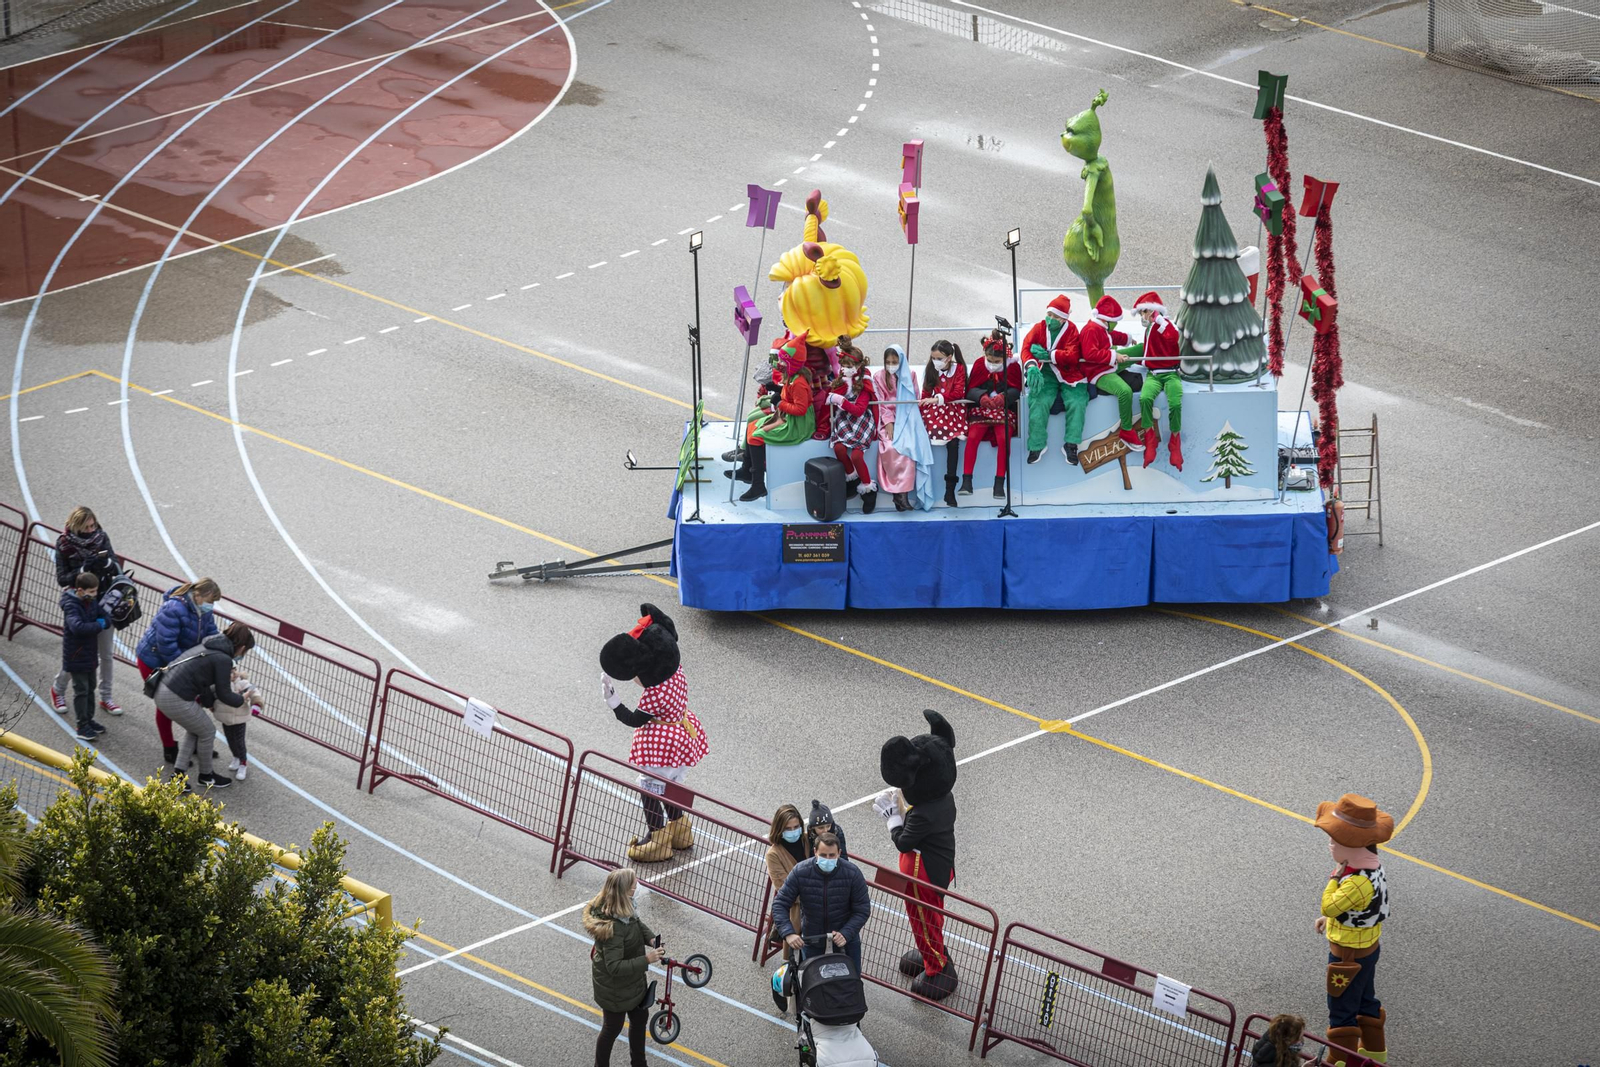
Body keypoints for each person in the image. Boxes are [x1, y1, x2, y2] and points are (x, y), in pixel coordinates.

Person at [600, 605, 708, 862]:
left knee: (650, 789)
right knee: (670, 787)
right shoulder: (677, 672)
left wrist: (613, 701)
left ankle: (657, 837)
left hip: (660, 745)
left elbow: (634, 720)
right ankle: (681, 829)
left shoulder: (654, 693)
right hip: (682, 733)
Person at [1313, 793, 1394, 1065]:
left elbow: (1329, 905)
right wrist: (1332, 919)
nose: (1330, 844)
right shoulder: (1372, 870)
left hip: (1347, 956)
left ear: (1350, 845)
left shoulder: (1353, 881)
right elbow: (1355, 910)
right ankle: (1373, 1055)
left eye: (1334, 840)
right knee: (1365, 1000)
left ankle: (1341, 1061)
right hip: (1367, 948)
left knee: (1341, 1010)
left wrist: (1334, 876)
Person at [154, 621, 257, 790]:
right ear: (242, 646)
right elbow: (224, 693)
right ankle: (206, 776)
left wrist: (209, 702)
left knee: (196, 730)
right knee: (208, 731)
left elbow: (204, 682)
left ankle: (178, 777)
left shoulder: (210, 644)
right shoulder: (223, 659)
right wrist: (242, 699)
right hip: (176, 697)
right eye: (245, 651)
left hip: (163, 690)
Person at [136, 578, 222, 766]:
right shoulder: (173, 609)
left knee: (194, 703)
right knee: (167, 705)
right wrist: (188, 667)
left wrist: (220, 650)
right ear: (197, 595)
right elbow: (166, 645)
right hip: (154, 662)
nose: (211, 605)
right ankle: (169, 748)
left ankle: (198, 743)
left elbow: (211, 634)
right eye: (210, 600)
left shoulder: (203, 611)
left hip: (180, 662)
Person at [583, 868, 663, 1067]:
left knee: (640, 1020)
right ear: (625, 890)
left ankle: (639, 1063)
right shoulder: (614, 928)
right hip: (615, 990)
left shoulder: (625, 907)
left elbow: (637, 923)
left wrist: (651, 938)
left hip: (633, 983)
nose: (637, 885)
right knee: (612, 1028)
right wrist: (647, 959)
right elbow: (614, 967)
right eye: (634, 883)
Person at [49, 506, 122, 718]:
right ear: (76, 526)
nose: (91, 530)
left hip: (104, 599)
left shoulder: (101, 537)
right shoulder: (63, 544)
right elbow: (62, 578)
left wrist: (106, 562)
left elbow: (115, 565)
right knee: (79, 654)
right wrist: (83, 569)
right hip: (81, 603)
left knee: (106, 654)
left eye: (93, 525)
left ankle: (106, 696)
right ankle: (58, 689)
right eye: (86, 527)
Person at [732, 333, 815, 501]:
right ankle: (747, 470)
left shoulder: (798, 383)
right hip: (786, 416)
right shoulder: (792, 377)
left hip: (796, 425)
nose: (780, 364)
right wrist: (777, 391)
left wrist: (779, 403)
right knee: (752, 426)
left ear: (792, 363)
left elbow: (800, 409)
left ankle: (758, 485)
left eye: (783, 361)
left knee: (756, 436)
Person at [770, 832, 869, 973]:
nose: (827, 859)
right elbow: (780, 903)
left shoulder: (852, 873)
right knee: (813, 987)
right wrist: (788, 933)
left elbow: (862, 909)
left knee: (849, 987)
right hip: (812, 942)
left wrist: (846, 933)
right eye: (823, 855)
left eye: (832, 855)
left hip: (845, 943)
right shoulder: (800, 871)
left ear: (839, 853)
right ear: (815, 852)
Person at [1117, 292, 1184, 470]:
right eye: (1141, 313)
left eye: (1145, 312)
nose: (1143, 316)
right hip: (1154, 373)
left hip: (1171, 373)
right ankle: (1150, 439)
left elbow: (1173, 337)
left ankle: (1175, 442)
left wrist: (1159, 320)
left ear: (1154, 311)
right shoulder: (1149, 329)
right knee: (1145, 398)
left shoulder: (1166, 324)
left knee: (1175, 403)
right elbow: (1147, 353)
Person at [1020, 295, 1082, 465]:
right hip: (1045, 373)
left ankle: (1071, 444)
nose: (1051, 319)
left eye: (1056, 316)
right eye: (1049, 314)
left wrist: (1049, 355)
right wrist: (1031, 366)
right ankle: (1037, 444)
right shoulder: (1038, 328)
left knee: (1077, 401)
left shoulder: (1072, 330)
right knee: (1038, 400)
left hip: (1068, 373)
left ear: (1064, 318)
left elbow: (1073, 355)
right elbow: (1026, 347)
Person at [872, 345, 935, 512]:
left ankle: (903, 495)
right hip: (888, 420)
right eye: (888, 362)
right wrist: (889, 424)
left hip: (907, 418)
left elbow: (914, 400)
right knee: (891, 447)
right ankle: (898, 495)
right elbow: (881, 404)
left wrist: (907, 423)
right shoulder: (878, 376)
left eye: (894, 362)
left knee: (909, 448)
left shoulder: (911, 375)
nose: (891, 365)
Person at [1075, 297, 1142, 451]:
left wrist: (1128, 339)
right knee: (1124, 392)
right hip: (1098, 372)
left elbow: (1111, 336)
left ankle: (1153, 364)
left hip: (1109, 363)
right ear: (1108, 320)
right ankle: (1126, 431)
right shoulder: (1090, 330)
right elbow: (1090, 354)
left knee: (1141, 348)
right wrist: (1115, 356)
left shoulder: (1100, 327)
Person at [962, 332, 1020, 498]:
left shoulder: (1012, 366)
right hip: (982, 409)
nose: (993, 364)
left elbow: (1016, 389)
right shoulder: (980, 365)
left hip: (1004, 410)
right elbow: (970, 389)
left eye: (997, 362)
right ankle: (967, 480)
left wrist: (1004, 397)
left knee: (1004, 440)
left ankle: (999, 482)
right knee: (973, 437)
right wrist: (981, 397)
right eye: (990, 360)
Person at [825, 344, 879, 514]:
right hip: (844, 419)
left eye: (849, 366)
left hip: (862, 421)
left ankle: (869, 491)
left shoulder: (864, 384)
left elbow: (859, 410)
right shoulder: (841, 380)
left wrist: (840, 400)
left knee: (856, 455)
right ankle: (851, 478)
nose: (845, 369)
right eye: (843, 366)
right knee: (839, 448)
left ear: (858, 367)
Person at [60, 571, 111, 742]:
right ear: (80, 590)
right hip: (76, 655)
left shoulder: (91, 602)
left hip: (88, 654)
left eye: (96, 591)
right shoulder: (71, 605)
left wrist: (105, 620)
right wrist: (98, 624)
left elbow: (103, 615)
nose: (95, 595)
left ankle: (89, 720)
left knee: (90, 687)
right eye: (91, 592)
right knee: (81, 690)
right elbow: (78, 628)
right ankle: (82, 725)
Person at [920, 340, 968, 507]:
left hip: (954, 410)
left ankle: (950, 489)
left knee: (953, 442)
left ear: (949, 357)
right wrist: (928, 402)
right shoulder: (931, 369)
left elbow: (957, 393)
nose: (935, 361)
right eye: (933, 358)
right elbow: (925, 393)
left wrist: (937, 399)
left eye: (939, 358)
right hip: (935, 411)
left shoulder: (959, 369)